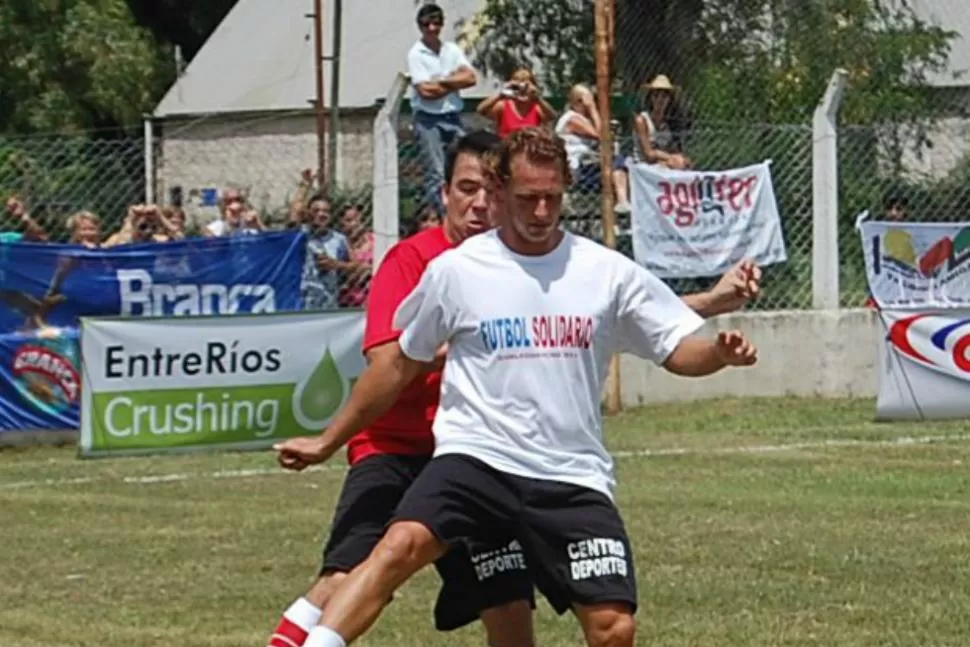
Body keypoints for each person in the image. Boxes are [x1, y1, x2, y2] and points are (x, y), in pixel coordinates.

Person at [273, 128, 761, 647]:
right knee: (399, 545)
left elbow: (672, 346)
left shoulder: (605, 271)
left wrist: (717, 354)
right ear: (501, 191)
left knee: (613, 626)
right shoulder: (455, 271)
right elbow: (396, 364)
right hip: (476, 459)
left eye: (553, 197)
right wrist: (328, 440)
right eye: (528, 198)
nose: (542, 211)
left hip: (569, 471)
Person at [406, 3, 478, 214]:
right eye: (427, 23)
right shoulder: (416, 54)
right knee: (435, 172)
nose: (432, 28)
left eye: (436, 23)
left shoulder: (451, 50)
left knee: (460, 164)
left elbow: (471, 77)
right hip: (428, 119)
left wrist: (441, 82)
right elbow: (425, 92)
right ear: (420, 26)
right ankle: (442, 213)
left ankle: (461, 209)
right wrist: (454, 81)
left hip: (452, 115)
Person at [477, 66, 556, 138]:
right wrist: (501, 94)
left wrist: (537, 98)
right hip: (507, 149)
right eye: (517, 88)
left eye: (525, 88)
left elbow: (552, 116)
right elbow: (481, 110)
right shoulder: (503, 106)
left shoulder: (537, 108)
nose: (522, 92)